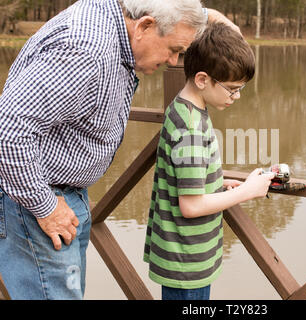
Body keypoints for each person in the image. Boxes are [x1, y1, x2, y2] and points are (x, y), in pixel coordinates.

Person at [0, 0, 237, 300]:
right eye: (174, 48)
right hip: (33, 200)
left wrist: (214, 20)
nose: (175, 60)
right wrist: (45, 207)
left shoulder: (122, 12)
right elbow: (8, 131)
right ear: (145, 26)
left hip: (62, 194)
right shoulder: (85, 50)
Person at [143, 22, 275, 300]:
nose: (237, 96)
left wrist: (217, 180)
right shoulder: (190, 127)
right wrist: (247, 191)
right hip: (187, 263)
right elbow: (191, 206)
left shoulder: (184, 108)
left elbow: (187, 175)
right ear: (203, 80)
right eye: (232, 89)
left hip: (184, 256)